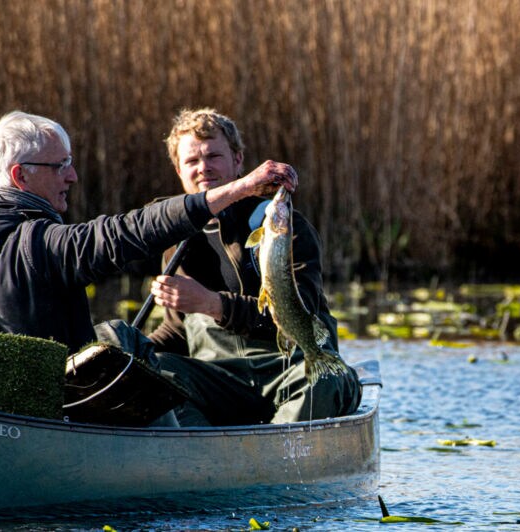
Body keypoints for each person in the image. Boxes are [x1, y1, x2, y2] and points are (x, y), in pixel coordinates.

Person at [0, 110, 297, 378]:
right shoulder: (39, 244)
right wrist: (240, 189)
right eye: (60, 165)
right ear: (21, 176)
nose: (72, 176)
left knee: (117, 337)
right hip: (47, 423)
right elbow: (128, 232)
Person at [144, 108, 361, 425]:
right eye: (192, 161)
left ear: (238, 160)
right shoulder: (176, 241)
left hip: (289, 367)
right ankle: (204, 459)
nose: (204, 168)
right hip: (220, 381)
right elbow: (178, 332)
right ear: (179, 170)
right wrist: (129, 351)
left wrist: (210, 303)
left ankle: (278, 458)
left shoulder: (283, 226)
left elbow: (300, 313)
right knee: (153, 374)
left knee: (324, 381)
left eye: (214, 156)